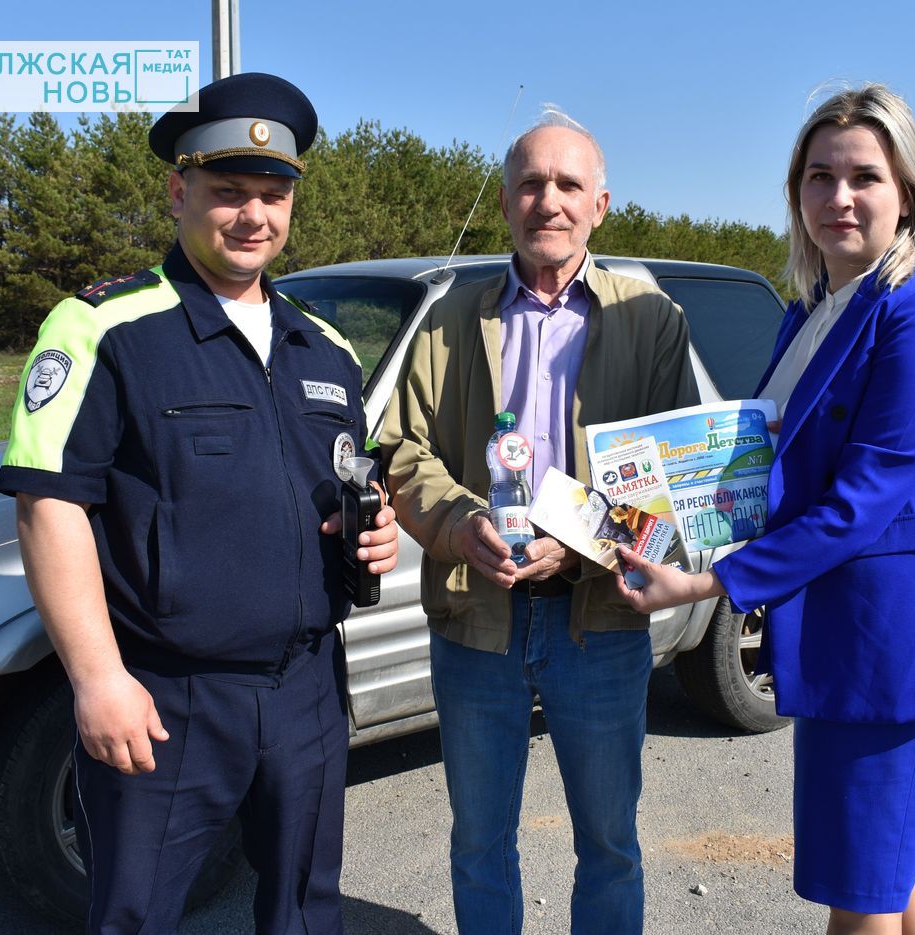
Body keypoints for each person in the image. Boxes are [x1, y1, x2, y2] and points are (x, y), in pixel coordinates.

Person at [0, 72, 399, 934]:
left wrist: (375, 533)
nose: (254, 215)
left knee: (305, 911)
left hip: (308, 691)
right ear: (180, 191)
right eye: (228, 192)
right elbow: (47, 506)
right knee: (135, 916)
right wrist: (98, 679)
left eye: (272, 194)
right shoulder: (103, 328)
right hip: (165, 696)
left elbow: (342, 484)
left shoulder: (322, 346)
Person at [617, 84, 915, 935]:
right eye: (819, 177)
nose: (840, 197)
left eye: (865, 176)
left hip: (894, 657)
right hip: (843, 649)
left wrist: (704, 582)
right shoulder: (815, 311)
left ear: (908, 195)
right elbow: (770, 464)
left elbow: (859, 504)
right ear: (796, 194)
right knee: (896, 870)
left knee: (860, 895)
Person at [379, 108, 698, 934]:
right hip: (475, 617)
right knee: (481, 842)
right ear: (505, 200)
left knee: (610, 843)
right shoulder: (449, 319)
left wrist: (582, 547)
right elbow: (403, 451)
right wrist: (458, 527)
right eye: (530, 183)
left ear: (600, 203)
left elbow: (674, 482)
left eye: (566, 184)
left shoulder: (650, 319)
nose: (547, 200)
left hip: (599, 624)